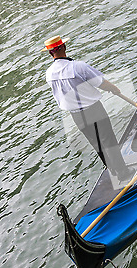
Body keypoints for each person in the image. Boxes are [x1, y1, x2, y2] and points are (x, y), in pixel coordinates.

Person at [43, 35, 130, 186]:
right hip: (94, 110)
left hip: (75, 115)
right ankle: (123, 173)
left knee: (96, 143)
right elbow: (100, 82)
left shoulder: (49, 74)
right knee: (108, 140)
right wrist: (114, 89)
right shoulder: (78, 66)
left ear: (51, 53)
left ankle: (113, 171)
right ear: (64, 47)